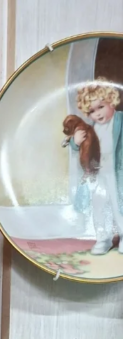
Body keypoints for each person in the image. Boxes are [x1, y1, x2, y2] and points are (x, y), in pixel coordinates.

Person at [70, 79, 123, 255]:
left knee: (119, 205)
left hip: (118, 171)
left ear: (112, 100)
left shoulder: (120, 119)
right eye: (92, 111)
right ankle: (103, 238)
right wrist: (75, 142)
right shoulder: (91, 128)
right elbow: (81, 144)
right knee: (100, 205)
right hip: (99, 172)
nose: (97, 114)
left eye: (101, 107)